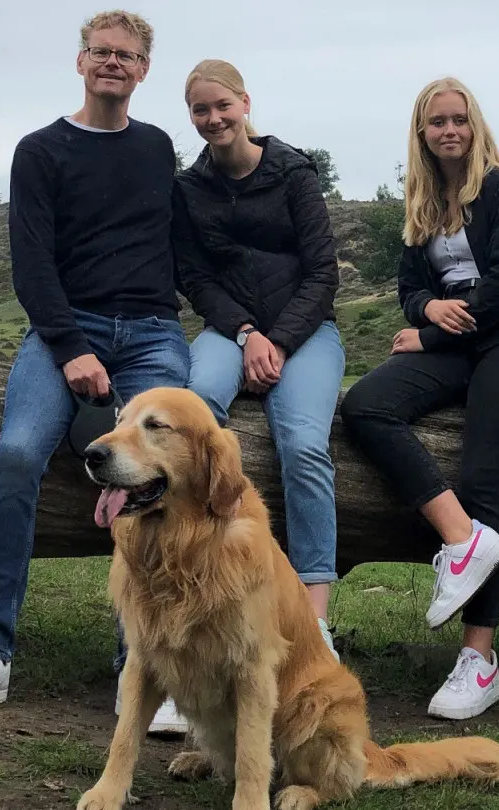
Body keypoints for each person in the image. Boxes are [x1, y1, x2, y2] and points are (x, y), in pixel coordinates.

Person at [0, 10, 192, 735]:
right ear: (80, 61)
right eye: (101, 52)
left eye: (126, 55)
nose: (112, 63)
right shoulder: (40, 151)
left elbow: (181, 246)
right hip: (67, 328)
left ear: (143, 70)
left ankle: (147, 671)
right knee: (16, 453)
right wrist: (70, 349)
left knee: (159, 476)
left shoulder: (157, 147)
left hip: (152, 333)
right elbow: (31, 264)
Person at [338, 77, 499, 721]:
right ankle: (462, 539)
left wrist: (434, 330)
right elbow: (409, 286)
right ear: (422, 132)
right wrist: (427, 309)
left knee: (483, 471)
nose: (450, 130)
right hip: (456, 337)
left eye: (459, 119)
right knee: (366, 405)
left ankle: (478, 659)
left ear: (474, 123)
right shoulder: (422, 198)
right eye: (437, 122)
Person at [173, 59, 345, 658]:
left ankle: (315, 616)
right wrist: (247, 333)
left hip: (306, 331)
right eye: (200, 109)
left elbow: (323, 273)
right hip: (230, 330)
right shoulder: (189, 188)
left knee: (303, 445)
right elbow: (195, 277)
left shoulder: (294, 172)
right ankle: (197, 579)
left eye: (223, 105)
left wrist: (280, 340)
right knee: (194, 414)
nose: (213, 118)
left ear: (245, 104)